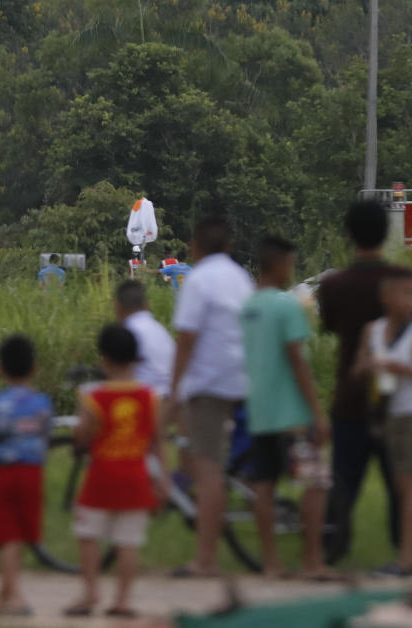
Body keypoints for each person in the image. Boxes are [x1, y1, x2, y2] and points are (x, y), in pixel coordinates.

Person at [318, 200, 412, 568]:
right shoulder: (405, 282)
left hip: (351, 394)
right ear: (387, 232)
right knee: (403, 483)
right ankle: (407, 551)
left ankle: (331, 546)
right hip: (398, 398)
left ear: (348, 235)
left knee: (343, 479)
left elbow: (329, 327)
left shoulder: (334, 285)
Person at [166, 216, 254, 578]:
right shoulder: (241, 278)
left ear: (194, 247)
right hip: (242, 380)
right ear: (229, 247)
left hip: (210, 385)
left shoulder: (199, 280)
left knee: (209, 471)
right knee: (205, 458)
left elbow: (187, 339)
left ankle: (205, 559)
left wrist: (173, 390)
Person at [240, 236, 332, 579]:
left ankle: (272, 563)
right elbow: (298, 362)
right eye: (290, 264)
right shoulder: (288, 306)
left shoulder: (247, 307)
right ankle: (312, 561)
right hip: (293, 413)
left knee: (263, 484)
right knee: (315, 482)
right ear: (278, 264)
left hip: (260, 410)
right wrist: (317, 412)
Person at [64, 324, 168, 618]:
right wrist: (163, 480)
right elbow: (158, 442)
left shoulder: (93, 398)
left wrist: (81, 437)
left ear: (104, 359)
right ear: (136, 360)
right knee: (128, 543)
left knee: (88, 536)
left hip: (101, 479)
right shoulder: (150, 397)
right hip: (136, 479)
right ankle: (123, 600)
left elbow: (83, 435)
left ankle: (90, 593)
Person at [352, 271, 412, 576]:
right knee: (405, 488)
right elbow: (357, 371)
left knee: (407, 487)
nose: (411, 302)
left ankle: (409, 560)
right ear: (386, 296)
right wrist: (370, 366)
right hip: (390, 413)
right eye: (405, 294)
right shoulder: (373, 331)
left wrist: (402, 368)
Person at [0, 335, 54, 616]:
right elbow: (46, 437)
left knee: (10, 535)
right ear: (35, 368)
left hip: (3, 475)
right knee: (17, 535)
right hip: (32, 474)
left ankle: (9, 597)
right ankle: (6, 595)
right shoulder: (43, 404)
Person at [115, 280, 175, 394]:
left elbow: (118, 376)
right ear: (147, 305)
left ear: (117, 306)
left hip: (146, 400)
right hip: (171, 397)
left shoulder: (128, 331)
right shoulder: (160, 330)